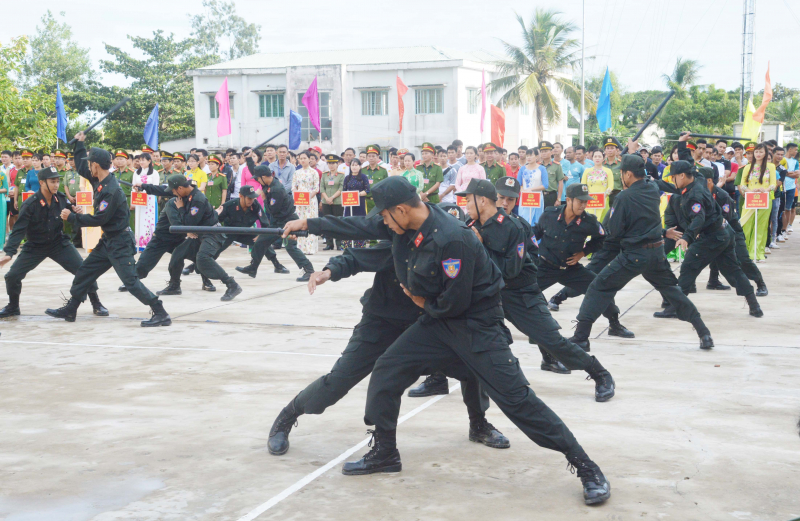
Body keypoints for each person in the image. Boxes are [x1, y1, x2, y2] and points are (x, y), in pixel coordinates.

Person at [283, 176, 611, 506]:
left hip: (475, 324)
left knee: (518, 401)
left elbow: (455, 301)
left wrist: (420, 301)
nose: (381, 222)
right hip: (436, 323)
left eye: (384, 215)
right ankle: (384, 453)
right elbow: (357, 227)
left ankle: (586, 466)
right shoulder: (400, 222)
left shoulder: (452, 238)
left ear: (400, 209)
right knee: (386, 370)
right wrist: (308, 223)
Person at [266, 239, 509, 456]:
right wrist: (329, 272)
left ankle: (478, 424)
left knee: (471, 362)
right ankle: (288, 416)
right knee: (338, 380)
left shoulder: (455, 251)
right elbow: (355, 258)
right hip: (380, 323)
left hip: (422, 325)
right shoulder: (403, 243)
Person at [460, 178, 618, 399]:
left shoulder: (516, 227)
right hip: (487, 295)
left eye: (468, 200)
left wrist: (480, 247)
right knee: (454, 334)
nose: (505, 202)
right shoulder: (470, 224)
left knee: (552, 341)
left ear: (484, 200)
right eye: (502, 197)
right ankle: (439, 379)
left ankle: (600, 373)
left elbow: (509, 270)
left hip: (519, 294)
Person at [569, 153, 714, 351]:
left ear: (628, 174)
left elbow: (615, 232)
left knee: (598, 287)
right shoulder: (653, 189)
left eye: (622, 173)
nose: (621, 176)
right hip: (656, 253)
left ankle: (580, 338)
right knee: (674, 293)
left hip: (634, 255)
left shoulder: (623, 197)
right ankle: (704, 333)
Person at [44, 133, 170, 327]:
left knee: (131, 282)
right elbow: (80, 167)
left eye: (90, 164)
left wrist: (73, 217)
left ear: (95, 165)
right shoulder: (99, 180)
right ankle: (71, 309)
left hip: (120, 243)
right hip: (108, 241)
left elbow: (100, 218)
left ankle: (160, 312)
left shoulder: (111, 189)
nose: (88, 167)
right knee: (84, 272)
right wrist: (79, 143)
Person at [653, 148, 762, 319]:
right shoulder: (698, 181)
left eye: (673, 177)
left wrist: (687, 238)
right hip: (724, 233)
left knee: (688, 267)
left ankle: (676, 307)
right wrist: (655, 182)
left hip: (711, 236)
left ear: (681, 176)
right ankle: (754, 304)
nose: (672, 181)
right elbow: (676, 185)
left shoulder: (694, 194)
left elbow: (698, 218)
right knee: (733, 269)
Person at [0, 167, 108, 318]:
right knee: (12, 276)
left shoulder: (61, 198)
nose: (56, 185)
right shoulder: (30, 204)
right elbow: (18, 229)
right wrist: (10, 253)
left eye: (57, 181)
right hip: (35, 246)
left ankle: (96, 303)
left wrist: (75, 211)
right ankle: (13, 306)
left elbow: (70, 209)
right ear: (42, 183)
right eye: (52, 182)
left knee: (84, 270)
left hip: (58, 243)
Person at [534, 182, 635, 339]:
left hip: (570, 269)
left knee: (599, 289)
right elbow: (535, 235)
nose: (583, 205)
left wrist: (584, 252)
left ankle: (614, 324)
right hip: (546, 267)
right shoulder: (549, 215)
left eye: (585, 201)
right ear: (568, 200)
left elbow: (602, 237)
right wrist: (532, 257)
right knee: (522, 292)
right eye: (580, 201)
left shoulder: (589, 221)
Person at [155, 174, 243, 301]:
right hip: (200, 233)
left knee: (203, 259)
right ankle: (174, 286)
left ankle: (232, 285)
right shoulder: (188, 195)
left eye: (174, 191)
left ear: (180, 188)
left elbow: (189, 223)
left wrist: (180, 209)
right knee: (177, 255)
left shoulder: (197, 199)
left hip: (212, 233)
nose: (173, 194)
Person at [236, 156, 314, 282]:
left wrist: (264, 198)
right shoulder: (268, 184)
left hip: (289, 221)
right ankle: (253, 267)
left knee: (290, 247)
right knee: (261, 241)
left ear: (265, 177)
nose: (257, 182)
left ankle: (309, 271)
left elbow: (272, 210)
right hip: (278, 221)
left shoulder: (276, 189)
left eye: (258, 179)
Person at [739, 143, 775, 262]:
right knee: (746, 225)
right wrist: (750, 191)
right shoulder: (747, 167)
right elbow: (743, 184)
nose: (758, 154)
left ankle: (758, 253)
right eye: (756, 152)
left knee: (761, 226)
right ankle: (744, 253)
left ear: (765, 153)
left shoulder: (771, 167)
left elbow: (773, 184)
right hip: (750, 199)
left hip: (765, 199)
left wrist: (765, 190)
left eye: (761, 152)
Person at [292, 150, 320, 255]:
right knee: (299, 223)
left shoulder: (314, 172)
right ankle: (300, 248)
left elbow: (316, 188)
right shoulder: (296, 172)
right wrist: (298, 197)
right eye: (301, 158)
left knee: (310, 223)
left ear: (309, 159)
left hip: (311, 201)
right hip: (299, 202)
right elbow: (293, 187)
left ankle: (311, 248)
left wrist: (307, 198)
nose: (302, 160)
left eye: (304, 158)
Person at [339, 158, 371, 250]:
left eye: (356, 165)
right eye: (352, 165)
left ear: (360, 166)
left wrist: (357, 195)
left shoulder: (363, 177)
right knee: (348, 222)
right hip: (349, 203)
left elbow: (367, 190)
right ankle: (347, 245)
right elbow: (344, 191)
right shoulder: (347, 178)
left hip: (360, 203)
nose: (354, 167)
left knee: (359, 222)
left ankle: (359, 245)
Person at [132, 153, 160, 251]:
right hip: (139, 199)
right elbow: (133, 185)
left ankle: (149, 244)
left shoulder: (155, 173)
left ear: (149, 161)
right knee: (139, 220)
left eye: (144, 160)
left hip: (150, 200)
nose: (141, 162)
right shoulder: (136, 173)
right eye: (140, 160)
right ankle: (139, 244)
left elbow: (156, 187)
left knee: (149, 221)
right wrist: (136, 189)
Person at [320, 154, 345, 250]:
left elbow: (341, 188)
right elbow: (322, 187)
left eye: (333, 163)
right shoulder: (324, 174)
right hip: (326, 202)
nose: (331, 165)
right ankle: (329, 244)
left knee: (338, 222)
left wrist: (332, 198)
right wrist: (327, 198)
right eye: (329, 163)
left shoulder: (341, 175)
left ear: (337, 164)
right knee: (327, 222)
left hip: (337, 202)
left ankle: (339, 244)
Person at [517, 148, 547, 225]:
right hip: (525, 197)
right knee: (524, 219)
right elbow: (518, 184)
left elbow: (545, 185)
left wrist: (531, 189)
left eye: (531, 155)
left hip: (537, 197)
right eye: (527, 156)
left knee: (536, 220)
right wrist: (523, 191)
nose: (528, 158)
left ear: (536, 156)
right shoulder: (522, 169)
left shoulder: (542, 169)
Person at [581, 150, 613, 222]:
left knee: (602, 221)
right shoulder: (587, 171)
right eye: (595, 156)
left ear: (603, 158)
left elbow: (611, 186)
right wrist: (588, 195)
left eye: (599, 156)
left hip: (603, 200)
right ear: (592, 158)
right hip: (589, 201)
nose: (597, 158)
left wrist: (603, 196)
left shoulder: (608, 171)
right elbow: (583, 185)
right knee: (589, 221)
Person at [362, 145, 388, 213]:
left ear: (378, 157)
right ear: (367, 158)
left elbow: (385, 187)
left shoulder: (383, 171)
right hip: (366, 202)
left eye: (373, 156)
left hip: (378, 201)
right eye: (369, 156)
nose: (371, 158)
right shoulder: (363, 170)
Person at [601, 137, 623, 207]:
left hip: (617, 195)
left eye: (612, 148)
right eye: (608, 148)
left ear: (617, 150)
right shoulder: (601, 164)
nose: (610, 150)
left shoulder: (621, 164)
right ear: (605, 150)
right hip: (603, 195)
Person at [782, 143, 798, 237]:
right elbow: (781, 173)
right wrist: (788, 173)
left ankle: (785, 228)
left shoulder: (795, 162)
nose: (796, 152)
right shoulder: (782, 159)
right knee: (781, 210)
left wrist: (786, 173)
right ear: (790, 149)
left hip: (791, 188)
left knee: (788, 209)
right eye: (795, 150)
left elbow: (797, 175)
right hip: (782, 187)